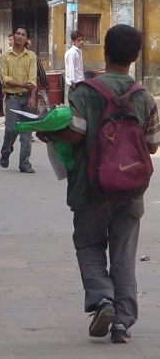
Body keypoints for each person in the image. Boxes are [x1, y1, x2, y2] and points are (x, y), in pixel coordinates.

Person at [36, 25, 160, 344]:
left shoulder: (86, 92)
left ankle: (102, 299)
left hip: (90, 188)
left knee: (89, 244)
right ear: (135, 57)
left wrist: (48, 132)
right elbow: (152, 146)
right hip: (131, 190)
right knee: (124, 253)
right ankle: (122, 322)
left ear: (103, 53)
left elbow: (75, 134)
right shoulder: (145, 96)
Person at [0, 25, 37, 173]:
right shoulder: (5, 57)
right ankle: (6, 152)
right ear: (13, 36)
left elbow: (33, 79)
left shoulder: (32, 57)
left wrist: (33, 97)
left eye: (23, 34)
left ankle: (24, 163)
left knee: (27, 132)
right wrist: (20, 84)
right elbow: (4, 78)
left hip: (27, 97)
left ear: (26, 38)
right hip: (12, 98)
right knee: (10, 129)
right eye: (17, 33)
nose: (19, 36)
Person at [65, 29, 85, 101]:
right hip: (75, 85)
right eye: (78, 40)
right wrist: (73, 83)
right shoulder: (71, 53)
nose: (81, 42)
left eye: (82, 40)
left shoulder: (79, 51)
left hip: (80, 83)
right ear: (73, 42)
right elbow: (71, 68)